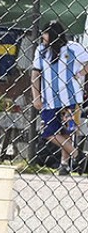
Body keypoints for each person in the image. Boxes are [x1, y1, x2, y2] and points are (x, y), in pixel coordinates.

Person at [31, 21, 85, 175]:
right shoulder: (41, 50)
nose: (43, 36)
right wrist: (36, 97)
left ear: (54, 34)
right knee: (48, 132)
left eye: (45, 33)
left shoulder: (73, 48)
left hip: (71, 97)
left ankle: (64, 165)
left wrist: (81, 73)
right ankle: (78, 155)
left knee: (66, 133)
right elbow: (35, 74)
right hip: (49, 99)